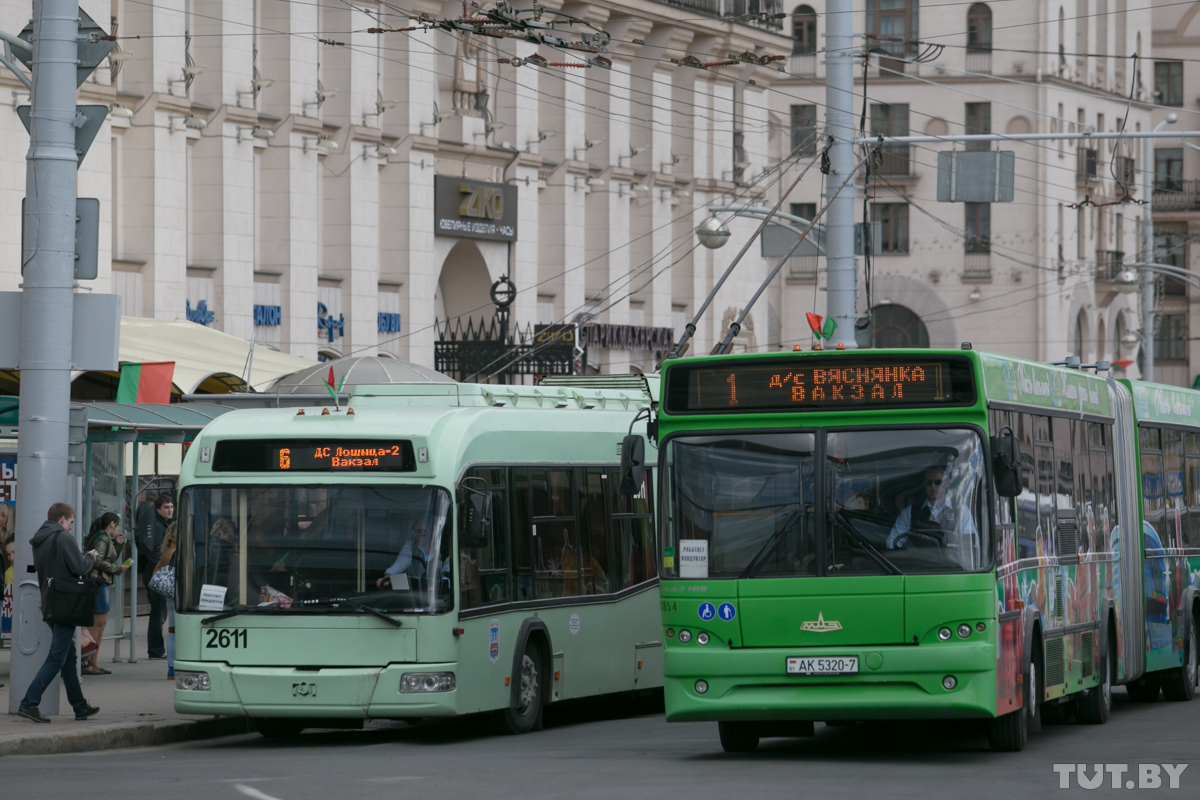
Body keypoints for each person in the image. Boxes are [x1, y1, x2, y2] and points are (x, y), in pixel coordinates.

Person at [18, 502, 101, 723]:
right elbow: (79, 568)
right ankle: (29, 702)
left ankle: (80, 707)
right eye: (71, 522)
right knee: (57, 657)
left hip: (50, 603)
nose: (71, 526)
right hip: (66, 605)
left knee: (68, 657)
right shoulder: (63, 538)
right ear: (62, 519)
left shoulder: (40, 539)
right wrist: (90, 557)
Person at [886, 465, 980, 559]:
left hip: (952, 565)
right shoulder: (911, 512)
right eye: (929, 483)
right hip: (919, 565)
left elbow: (972, 545)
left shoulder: (961, 511)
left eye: (938, 482)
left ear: (947, 483)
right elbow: (892, 541)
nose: (933, 486)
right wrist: (906, 555)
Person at [82, 512, 128, 675]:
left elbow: (107, 557)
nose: (118, 529)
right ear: (112, 524)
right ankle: (87, 662)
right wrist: (117, 569)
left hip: (100, 582)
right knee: (97, 623)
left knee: (101, 623)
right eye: (118, 526)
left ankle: (92, 661)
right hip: (97, 582)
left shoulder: (105, 538)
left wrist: (118, 545)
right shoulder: (102, 538)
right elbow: (98, 561)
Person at [137, 494, 173, 659]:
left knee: (159, 614)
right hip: (158, 576)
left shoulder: (163, 524)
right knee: (158, 615)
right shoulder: (158, 527)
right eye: (166, 507)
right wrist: (165, 569)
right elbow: (156, 552)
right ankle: (155, 650)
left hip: (156, 575)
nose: (170, 510)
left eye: (171, 507)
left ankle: (156, 649)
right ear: (157, 509)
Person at [155, 522, 178, 678]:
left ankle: (171, 668)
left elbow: (157, 570)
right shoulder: (175, 552)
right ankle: (174, 666)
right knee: (176, 633)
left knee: (172, 632)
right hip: (178, 594)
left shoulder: (166, 550)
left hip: (169, 594)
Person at [376, 524, 430, 589]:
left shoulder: (441, 548)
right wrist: (386, 579)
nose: (415, 535)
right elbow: (398, 566)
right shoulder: (411, 546)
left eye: (420, 531)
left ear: (431, 531)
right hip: (416, 591)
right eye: (416, 531)